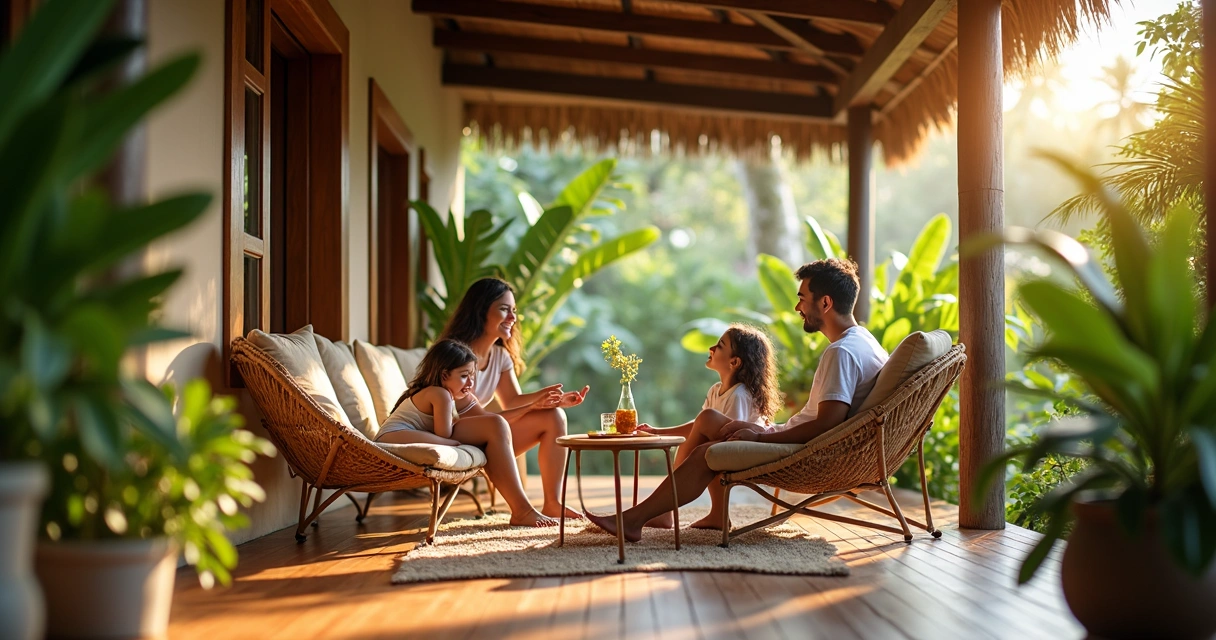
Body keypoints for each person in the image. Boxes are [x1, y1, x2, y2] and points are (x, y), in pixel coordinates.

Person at [586, 258, 888, 540]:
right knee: (708, 427)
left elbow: (827, 423)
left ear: (825, 303)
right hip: (798, 441)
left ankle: (637, 519)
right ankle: (659, 515)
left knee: (708, 451)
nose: (798, 307)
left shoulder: (841, 352)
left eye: (802, 298)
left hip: (805, 452)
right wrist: (763, 431)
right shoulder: (865, 342)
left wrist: (761, 436)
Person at [440, 278, 589, 520]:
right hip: (449, 432)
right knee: (495, 424)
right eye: (504, 309)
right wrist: (533, 405)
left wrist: (552, 399)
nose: (512, 317)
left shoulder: (499, 356)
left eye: (514, 310)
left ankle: (553, 503)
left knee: (554, 417)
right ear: (480, 310)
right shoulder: (453, 355)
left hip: (484, 433)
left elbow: (512, 400)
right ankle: (522, 510)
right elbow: (469, 416)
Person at [375, 340, 561, 527]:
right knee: (455, 441)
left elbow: (494, 421)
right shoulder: (440, 394)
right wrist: (460, 435)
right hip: (392, 437)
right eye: (464, 376)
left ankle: (523, 510)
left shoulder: (457, 396)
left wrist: (532, 407)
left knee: (495, 425)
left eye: (472, 375)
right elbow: (445, 433)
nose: (471, 383)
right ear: (444, 375)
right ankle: (523, 511)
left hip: (409, 435)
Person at [636, 323, 781, 528]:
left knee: (710, 446)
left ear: (734, 362)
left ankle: (669, 511)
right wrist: (657, 431)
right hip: (726, 445)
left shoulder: (739, 394)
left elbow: (729, 435)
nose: (711, 348)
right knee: (702, 436)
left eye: (719, 346)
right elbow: (699, 426)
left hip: (749, 449)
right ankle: (706, 514)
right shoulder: (716, 390)